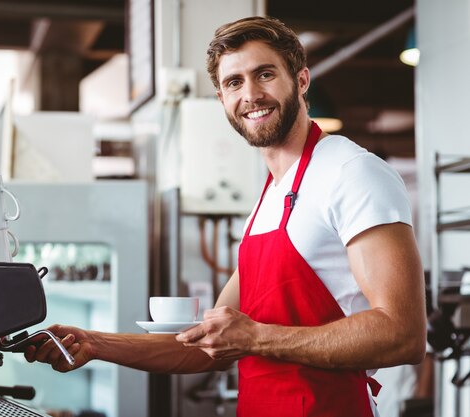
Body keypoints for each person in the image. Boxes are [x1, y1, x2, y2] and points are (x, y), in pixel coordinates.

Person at [25, 16, 427, 416]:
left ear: (302, 81)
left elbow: (402, 333)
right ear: (222, 99)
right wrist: (95, 344)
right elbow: (208, 348)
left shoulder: (351, 171)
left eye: (265, 74)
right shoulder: (268, 198)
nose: (251, 94)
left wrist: (256, 339)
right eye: (234, 82)